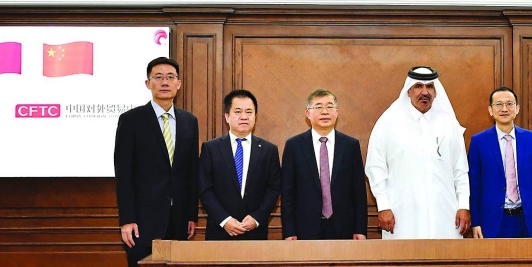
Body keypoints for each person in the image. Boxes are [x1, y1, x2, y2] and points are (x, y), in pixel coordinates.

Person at [113, 56, 199, 267]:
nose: (165, 81)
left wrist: (190, 215)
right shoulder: (131, 120)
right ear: (148, 83)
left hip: (178, 223)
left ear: (179, 84)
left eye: (170, 76)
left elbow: (189, 173)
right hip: (142, 223)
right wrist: (127, 218)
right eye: (158, 76)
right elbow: (123, 173)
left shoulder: (189, 121)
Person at [365, 66, 470, 239]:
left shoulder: (449, 124)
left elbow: (460, 170)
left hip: (445, 215)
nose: (425, 92)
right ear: (408, 91)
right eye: (418, 86)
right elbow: (375, 168)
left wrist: (464, 205)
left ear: (436, 92)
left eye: (430, 87)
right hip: (401, 216)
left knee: (445, 256)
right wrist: (383, 206)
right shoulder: (388, 122)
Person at [281, 89, 368, 240]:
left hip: (344, 227)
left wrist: (360, 229)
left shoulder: (350, 145)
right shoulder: (294, 146)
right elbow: (287, 193)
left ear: (336, 112)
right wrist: (289, 231)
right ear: (308, 113)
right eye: (318, 107)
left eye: (329, 106)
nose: (325, 111)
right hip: (304, 228)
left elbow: (359, 192)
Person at [198, 89, 281, 240]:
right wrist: (224, 220)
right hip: (219, 232)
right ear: (227, 116)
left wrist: (257, 218)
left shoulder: (269, 150)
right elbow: (205, 189)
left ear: (255, 117)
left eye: (249, 112)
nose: (244, 116)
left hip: (255, 233)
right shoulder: (211, 148)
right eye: (237, 111)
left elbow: (274, 188)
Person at [468, 87, 532, 238]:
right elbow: (474, 185)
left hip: (526, 219)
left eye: (509, 104)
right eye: (498, 104)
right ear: (490, 110)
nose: (504, 109)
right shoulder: (479, 141)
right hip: (492, 221)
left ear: (517, 108)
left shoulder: (531, 139)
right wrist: (475, 222)